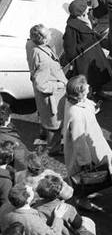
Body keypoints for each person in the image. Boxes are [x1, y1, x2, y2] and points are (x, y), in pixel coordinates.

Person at [62, 75, 112, 212]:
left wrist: (94, 108)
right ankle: (82, 201)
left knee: (88, 177)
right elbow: (79, 140)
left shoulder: (73, 101)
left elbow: (86, 105)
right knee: (82, 178)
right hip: (84, 151)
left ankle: (88, 193)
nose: (88, 90)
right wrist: (85, 161)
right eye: (85, 90)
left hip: (91, 142)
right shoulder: (76, 114)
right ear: (78, 94)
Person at [27, 24, 65, 154]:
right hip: (51, 97)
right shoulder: (43, 60)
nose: (50, 35)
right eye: (48, 34)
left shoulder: (31, 45)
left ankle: (45, 135)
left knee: (46, 119)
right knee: (54, 125)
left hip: (44, 98)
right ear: (43, 39)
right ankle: (54, 148)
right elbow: (41, 84)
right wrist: (59, 85)